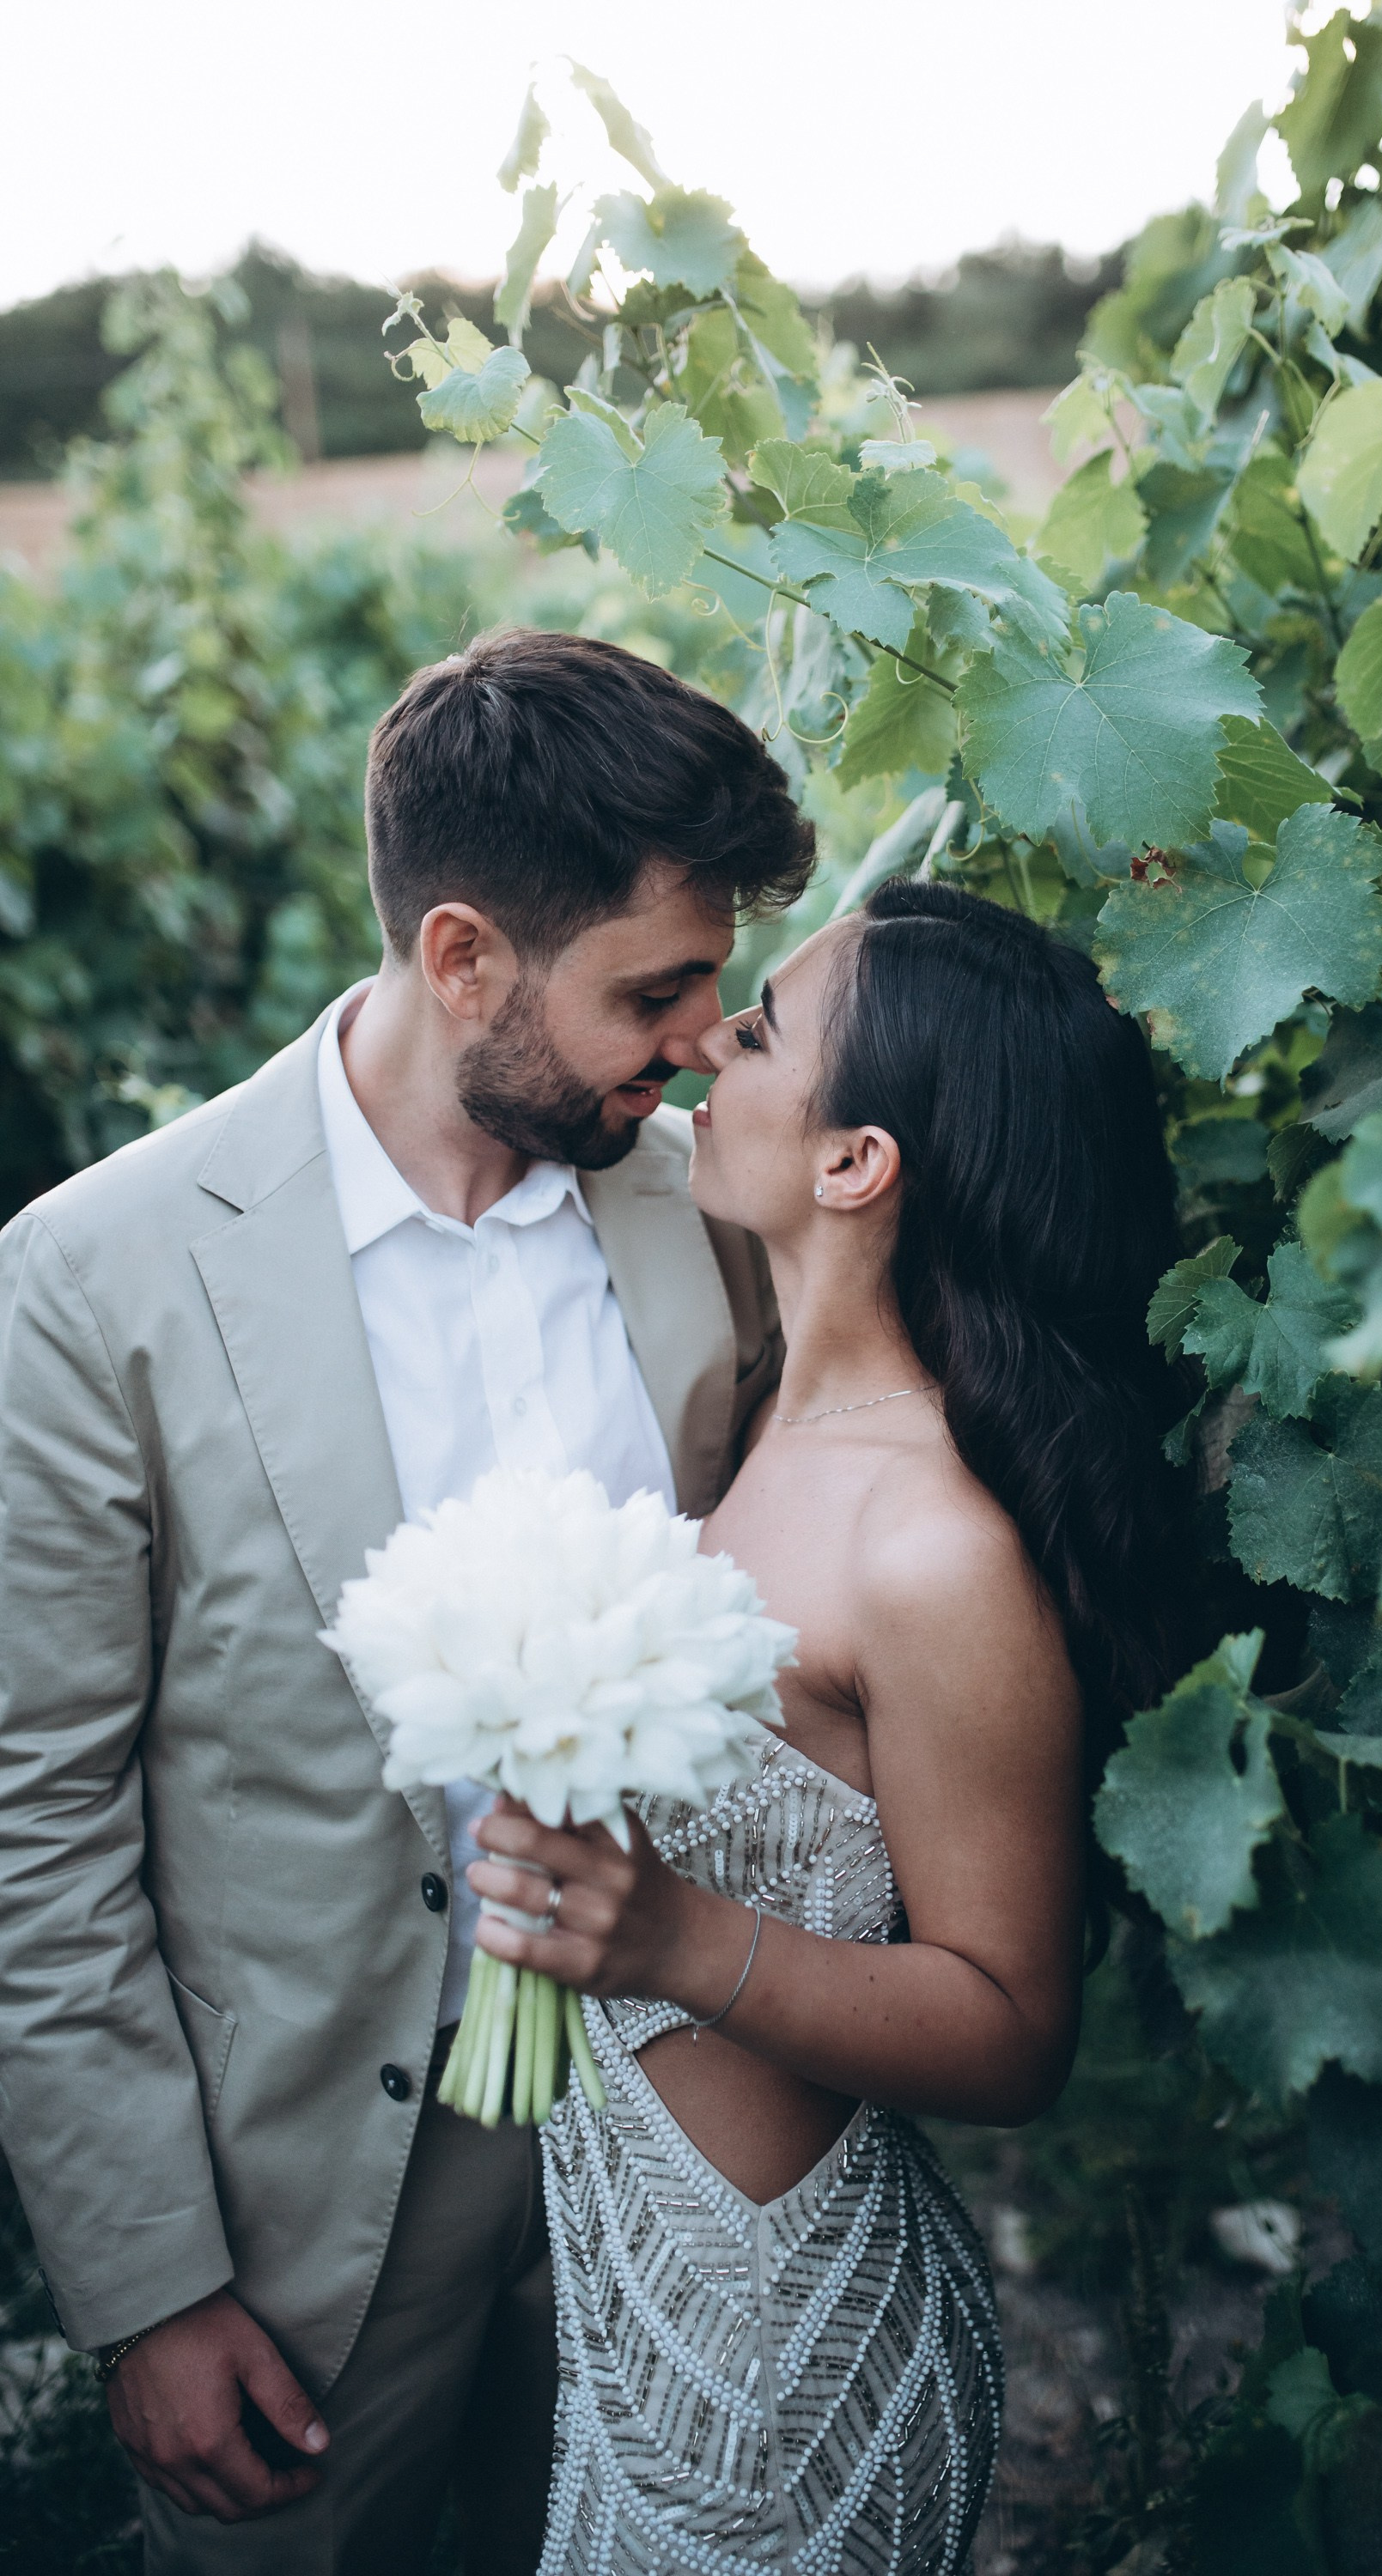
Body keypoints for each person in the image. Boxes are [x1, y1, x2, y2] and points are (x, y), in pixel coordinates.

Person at [0, 628, 814, 2573]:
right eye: (656, 990)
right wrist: (146, 2290)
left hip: (686, 2128)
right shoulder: (91, 1279)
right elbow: (34, 1828)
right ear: (464, 959)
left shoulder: (718, 1218)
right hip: (302, 2217)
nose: (705, 1038)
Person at [471, 880, 1186, 2572]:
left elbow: (1015, 2028)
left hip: (783, 2374)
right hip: (650, 2329)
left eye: (765, 1025)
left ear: (859, 1162)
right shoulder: (759, 1436)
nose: (710, 1036)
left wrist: (672, 1935)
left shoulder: (929, 1546)